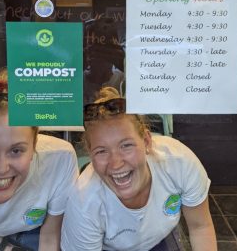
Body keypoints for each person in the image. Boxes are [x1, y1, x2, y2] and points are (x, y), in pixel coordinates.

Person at [61, 87, 217, 251]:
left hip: (159, 240)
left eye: (126, 146)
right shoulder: (84, 202)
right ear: (90, 155)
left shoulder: (178, 162)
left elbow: (200, 227)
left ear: (147, 141)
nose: (116, 163)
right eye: (101, 151)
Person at [0, 68, 79, 251]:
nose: (1, 169)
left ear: (34, 145)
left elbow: (49, 236)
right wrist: (1, 246)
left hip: (31, 231)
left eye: (16, 150)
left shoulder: (59, 159)